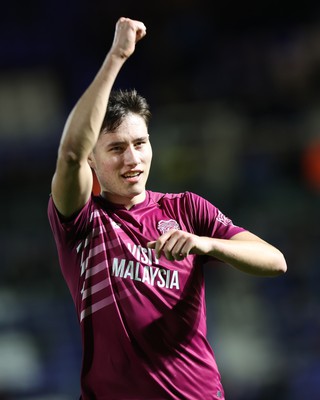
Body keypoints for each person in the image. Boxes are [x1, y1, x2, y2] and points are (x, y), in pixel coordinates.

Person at [48, 17, 287, 400]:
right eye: (116, 148)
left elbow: (275, 261)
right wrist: (117, 56)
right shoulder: (82, 221)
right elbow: (71, 152)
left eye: (140, 143)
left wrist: (205, 245)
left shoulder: (187, 209)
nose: (133, 159)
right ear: (93, 161)